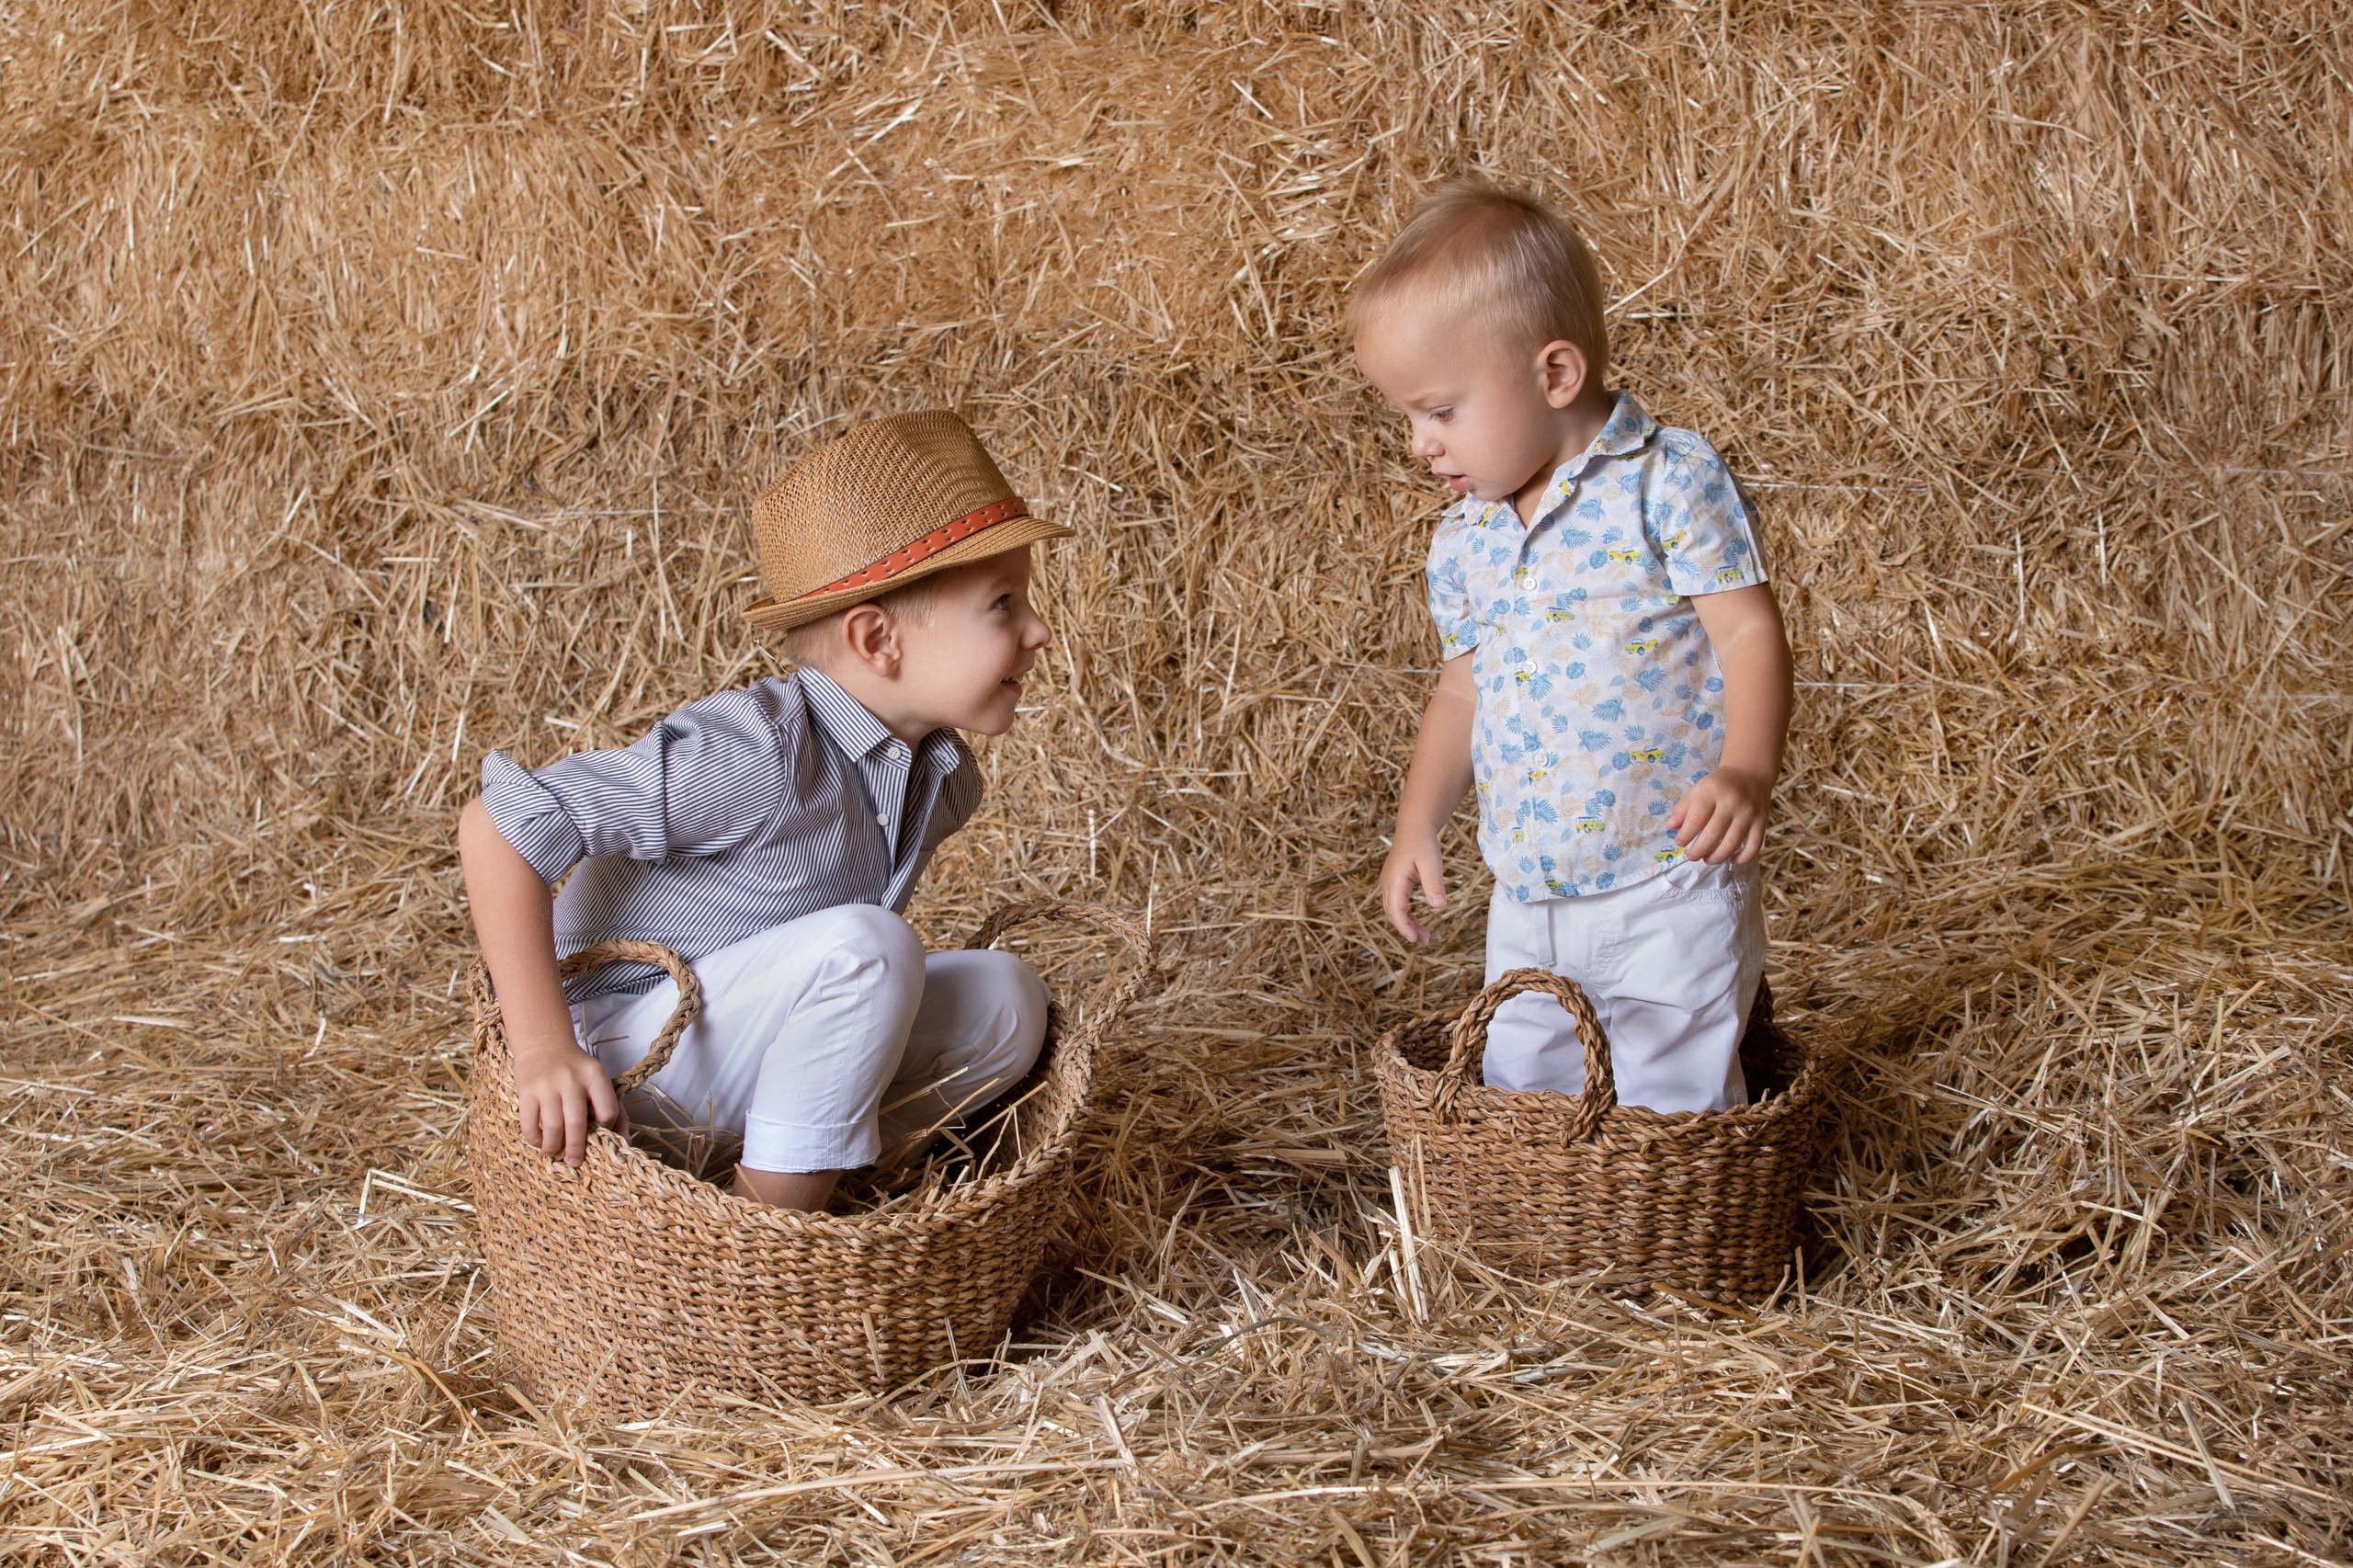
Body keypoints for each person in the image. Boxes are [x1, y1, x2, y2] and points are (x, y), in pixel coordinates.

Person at [457, 411, 1074, 1209]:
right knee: (872, 947)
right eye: (1003, 603)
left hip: (736, 1053)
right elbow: (498, 824)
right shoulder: (758, 753)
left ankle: (781, 1177)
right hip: (618, 1057)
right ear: (878, 641)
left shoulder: (943, 780)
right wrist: (541, 1047)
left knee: (1009, 998)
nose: (1040, 629)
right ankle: (759, 1246)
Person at [1354, 176, 1795, 1113]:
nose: (1421, 444)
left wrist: (1747, 769)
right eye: (1407, 417)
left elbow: (1748, 627)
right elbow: (1461, 694)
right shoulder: (1466, 538)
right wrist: (1416, 823)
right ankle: (1558, 1240)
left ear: (1555, 375)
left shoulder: (1662, 483)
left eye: (1440, 409)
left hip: (1666, 873)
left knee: (1670, 1088)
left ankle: (1669, 1241)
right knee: (1530, 1084)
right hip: (1531, 888)